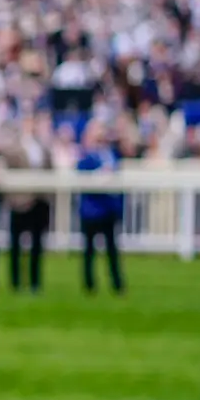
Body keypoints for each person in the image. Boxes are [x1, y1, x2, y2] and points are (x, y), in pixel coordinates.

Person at [73, 126, 126, 294]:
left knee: (112, 249)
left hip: (109, 210)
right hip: (92, 211)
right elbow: (81, 175)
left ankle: (117, 284)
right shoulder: (86, 156)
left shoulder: (112, 155)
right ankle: (89, 284)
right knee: (89, 250)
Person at [0, 135, 50, 292]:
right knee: (15, 245)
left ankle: (35, 282)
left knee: (37, 244)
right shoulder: (14, 148)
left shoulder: (44, 148)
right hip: (19, 203)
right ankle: (15, 282)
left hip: (39, 201)